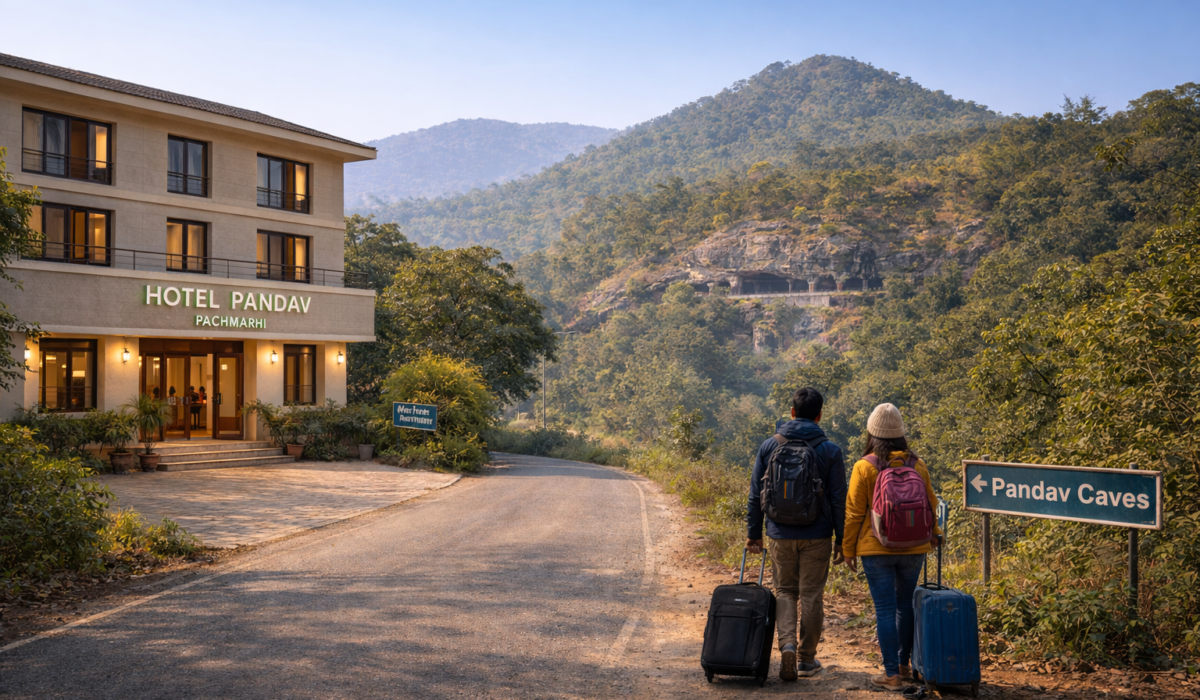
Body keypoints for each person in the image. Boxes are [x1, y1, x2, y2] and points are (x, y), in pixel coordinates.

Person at [747, 387, 847, 681]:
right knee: (812, 596)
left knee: (786, 592)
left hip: (779, 533)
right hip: (817, 534)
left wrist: (754, 533)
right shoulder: (830, 450)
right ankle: (806, 659)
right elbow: (839, 499)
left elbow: (755, 494)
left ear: (791, 412)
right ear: (819, 415)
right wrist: (842, 539)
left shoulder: (769, 446)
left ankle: (787, 645)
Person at [842, 403, 942, 692]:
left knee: (885, 609)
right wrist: (934, 533)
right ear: (901, 433)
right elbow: (930, 504)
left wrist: (848, 550)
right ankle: (903, 665)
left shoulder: (864, 467)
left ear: (872, 434)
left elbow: (854, 513)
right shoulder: (917, 465)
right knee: (904, 605)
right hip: (914, 547)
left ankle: (891, 676)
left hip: (876, 549)